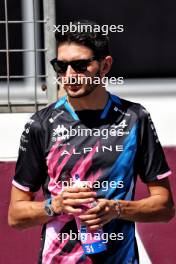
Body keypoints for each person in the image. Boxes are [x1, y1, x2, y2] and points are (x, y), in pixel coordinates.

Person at [8, 20, 175, 264]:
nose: (69, 76)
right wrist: (56, 205)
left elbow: (165, 207)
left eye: (80, 65)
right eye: (61, 66)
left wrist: (117, 209)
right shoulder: (42, 124)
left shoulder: (134, 119)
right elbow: (16, 215)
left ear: (105, 66)